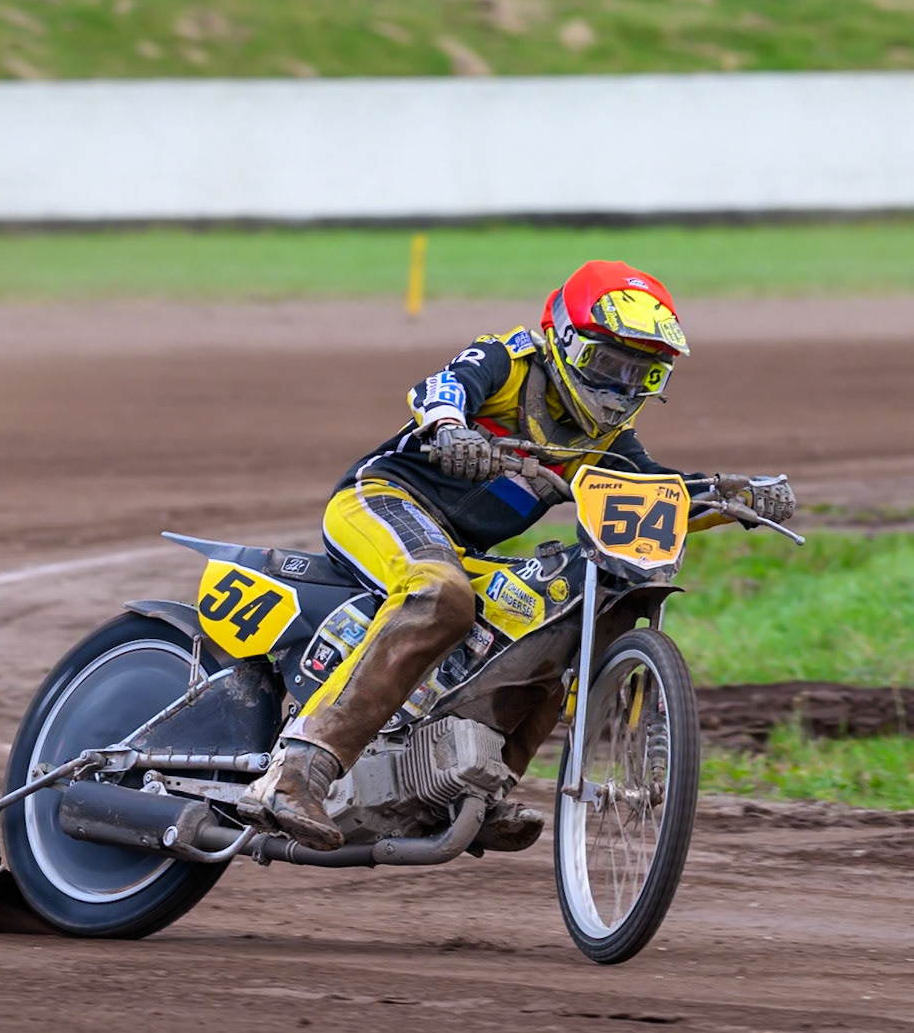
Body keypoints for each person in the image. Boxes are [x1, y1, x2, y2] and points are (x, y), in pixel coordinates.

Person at [239, 261, 796, 851]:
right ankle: (298, 771)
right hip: (382, 503)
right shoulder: (510, 360)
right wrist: (452, 430)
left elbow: (658, 491)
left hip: (459, 547)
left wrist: (736, 496)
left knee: (557, 618)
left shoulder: (607, 444)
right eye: (609, 366)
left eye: (644, 374)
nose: (621, 390)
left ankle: (475, 784)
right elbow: (441, 388)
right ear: (564, 341)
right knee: (441, 594)